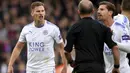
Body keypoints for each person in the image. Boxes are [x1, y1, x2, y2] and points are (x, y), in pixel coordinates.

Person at [7, 1, 67, 73]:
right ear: (32, 13)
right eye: (38, 11)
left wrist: (65, 66)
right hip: (31, 69)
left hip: (47, 68)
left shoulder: (53, 29)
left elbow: (62, 47)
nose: (41, 13)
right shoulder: (26, 29)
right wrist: (10, 65)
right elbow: (18, 47)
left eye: (42, 11)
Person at [64, 0, 120, 73]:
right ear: (93, 11)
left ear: (78, 11)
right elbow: (115, 47)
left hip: (81, 68)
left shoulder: (73, 28)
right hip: (98, 68)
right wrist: (116, 66)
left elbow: (66, 52)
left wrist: (71, 62)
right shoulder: (103, 28)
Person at [97, 1, 130, 73]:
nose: (98, 12)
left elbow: (128, 48)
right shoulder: (100, 30)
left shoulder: (119, 27)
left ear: (110, 13)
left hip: (122, 70)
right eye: (98, 9)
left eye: (102, 9)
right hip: (109, 70)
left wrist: (112, 43)